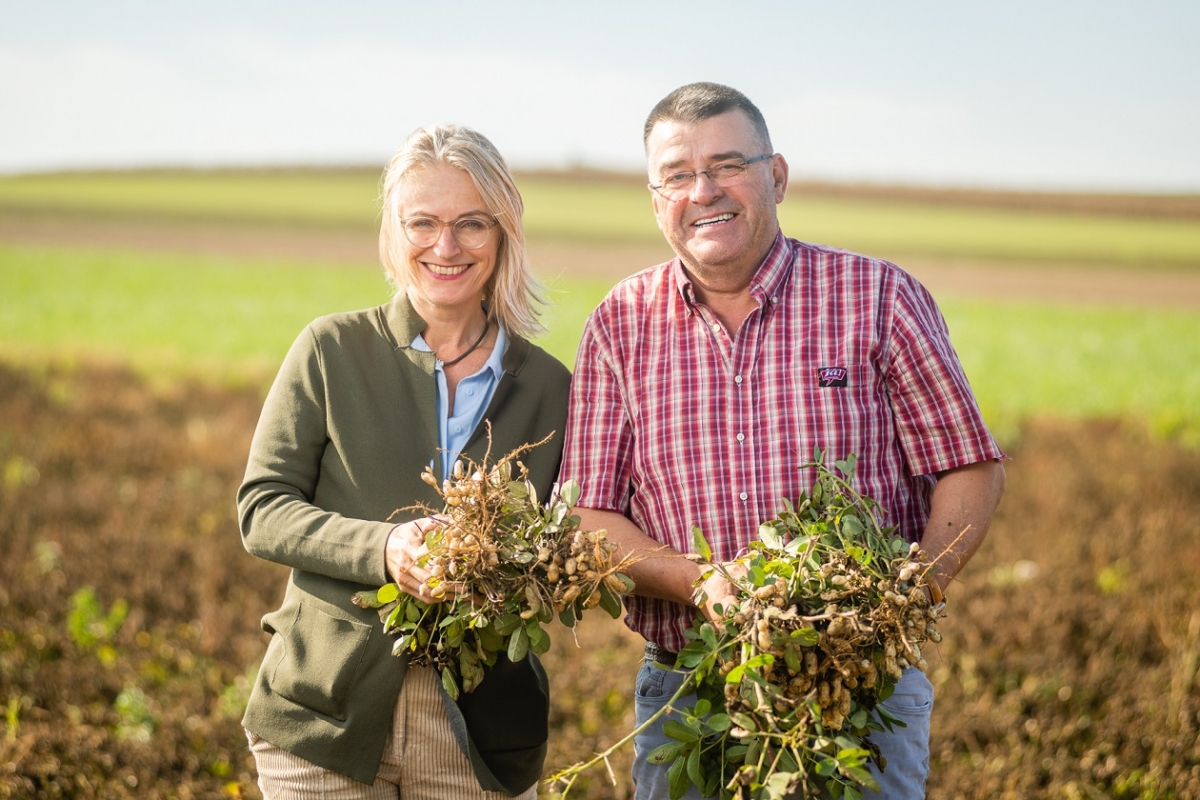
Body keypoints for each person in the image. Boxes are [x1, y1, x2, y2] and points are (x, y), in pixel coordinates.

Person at [559, 82, 1006, 799]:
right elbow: (588, 512)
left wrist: (906, 597)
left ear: (777, 175)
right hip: (688, 688)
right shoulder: (621, 322)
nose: (703, 191)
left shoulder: (878, 297)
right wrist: (699, 582)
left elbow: (969, 466)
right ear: (655, 199)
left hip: (857, 683)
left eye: (727, 165)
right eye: (677, 175)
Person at [237, 123, 571, 799]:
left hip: (480, 732)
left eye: (471, 223)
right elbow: (261, 509)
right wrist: (385, 548)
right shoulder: (330, 350)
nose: (446, 247)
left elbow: (571, 537)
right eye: (423, 222)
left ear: (503, 232)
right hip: (324, 714)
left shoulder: (551, 387)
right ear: (394, 232)